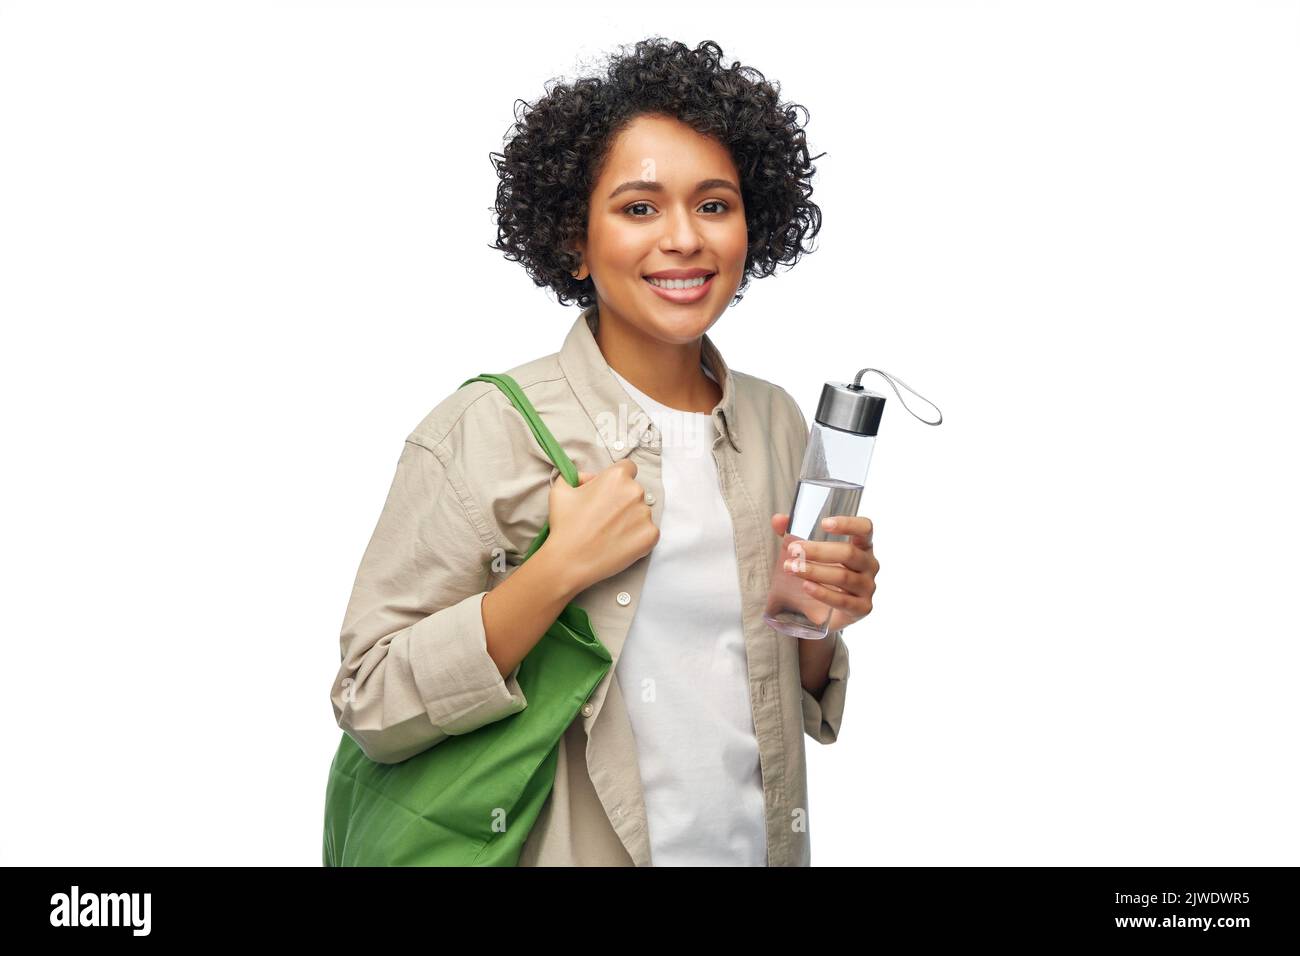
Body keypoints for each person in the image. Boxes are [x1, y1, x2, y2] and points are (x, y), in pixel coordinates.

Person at [329, 37, 879, 866]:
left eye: (715, 204)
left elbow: (770, 691)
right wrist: (556, 573)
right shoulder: (484, 430)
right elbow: (369, 700)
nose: (685, 239)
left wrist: (816, 615)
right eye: (639, 208)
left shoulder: (776, 421)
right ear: (574, 241)